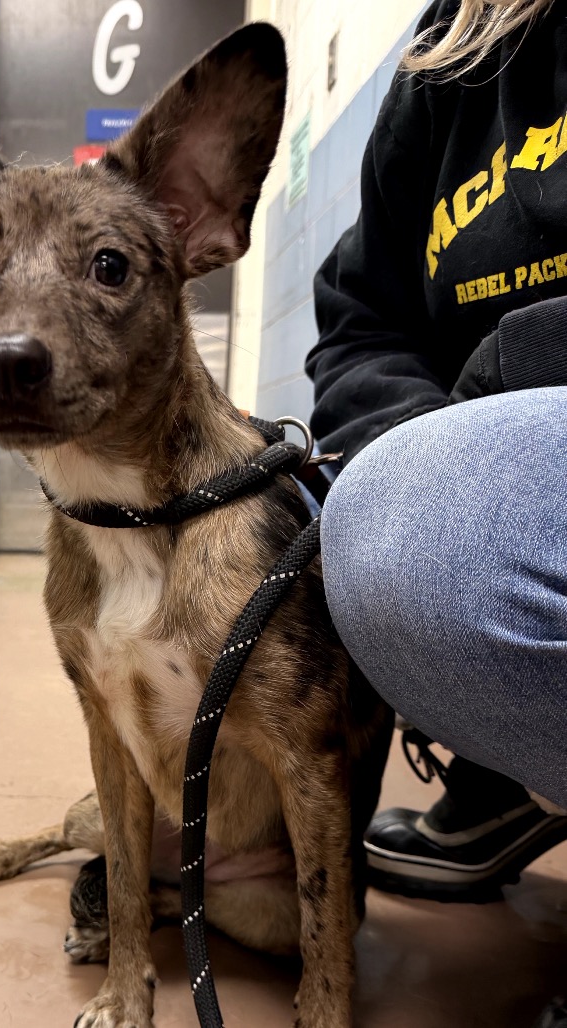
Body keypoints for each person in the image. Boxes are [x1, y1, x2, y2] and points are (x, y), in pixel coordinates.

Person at [306, 1, 567, 1020]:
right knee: (351, 513)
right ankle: (511, 773)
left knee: (445, 525)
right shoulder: (453, 39)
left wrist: (507, 371)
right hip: (493, 430)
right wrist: (407, 445)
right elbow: (359, 315)